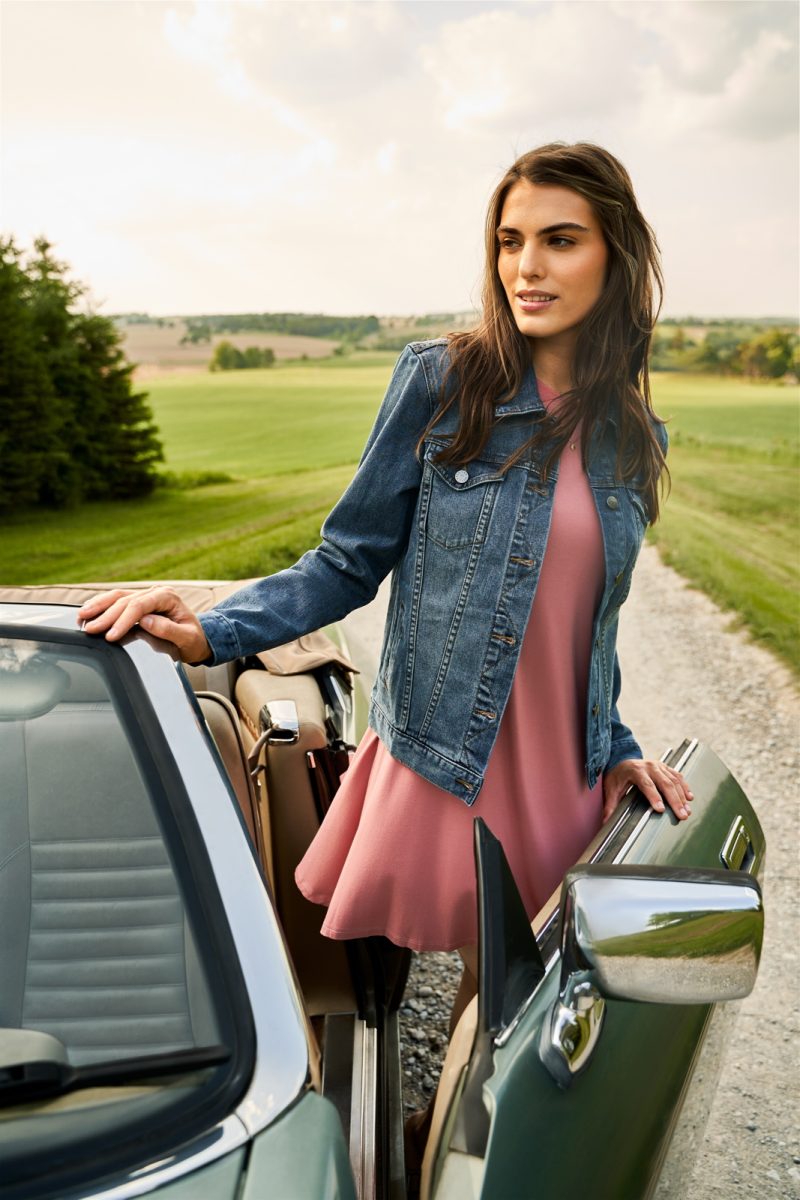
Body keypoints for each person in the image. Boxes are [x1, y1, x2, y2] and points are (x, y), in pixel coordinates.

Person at [79, 140, 692, 1170]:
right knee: (428, 995)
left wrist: (616, 739)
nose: (525, 268)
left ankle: (435, 1154)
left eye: (557, 241)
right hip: (448, 756)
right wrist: (213, 626)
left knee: (506, 1012)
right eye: (508, 242)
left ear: (614, 257)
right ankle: (354, 1154)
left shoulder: (632, 432)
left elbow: (589, 622)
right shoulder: (443, 381)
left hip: (561, 772)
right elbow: (348, 559)